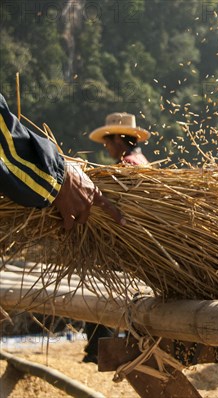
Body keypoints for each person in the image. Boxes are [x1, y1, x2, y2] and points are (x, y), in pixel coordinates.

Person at [82, 112, 151, 364]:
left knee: (94, 283)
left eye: (108, 142)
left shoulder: (128, 167)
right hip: (136, 242)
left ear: (120, 141)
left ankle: (96, 348)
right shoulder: (142, 161)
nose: (106, 146)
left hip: (127, 242)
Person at [0, 93, 124, 230]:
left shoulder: (128, 162)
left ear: (118, 139)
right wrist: (58, 178)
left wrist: (57, 177)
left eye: (107, 141)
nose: (105, 146)